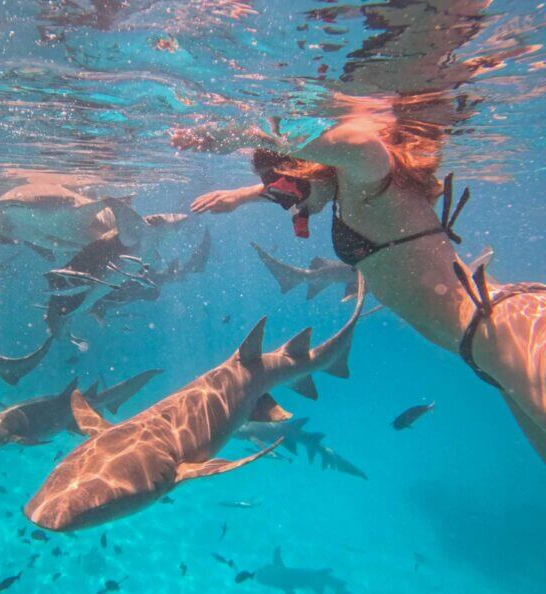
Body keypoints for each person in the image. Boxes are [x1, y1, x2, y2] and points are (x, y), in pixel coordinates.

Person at [170, 91, 546, 462]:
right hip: (488, 344)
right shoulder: (350, 189)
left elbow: (363, 144)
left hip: (503, 330)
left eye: (287, 187)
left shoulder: (369, 184)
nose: (292, 203)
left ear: (312, 162)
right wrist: (243, 195)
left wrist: (245, 135)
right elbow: (313, 184)